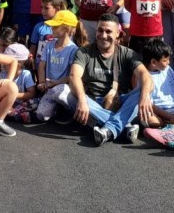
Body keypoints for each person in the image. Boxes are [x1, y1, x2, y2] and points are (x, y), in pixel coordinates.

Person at [65, 14, 155, 146]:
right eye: (100, 30)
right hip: (92, 102)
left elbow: (145, 75)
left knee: (145, 89)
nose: (103, 35)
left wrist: (145, 96)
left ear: (118, 33)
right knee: (68, 93)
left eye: (108, 31)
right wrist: (83, 101)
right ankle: (124, 127)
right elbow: (74, 76)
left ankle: (108, 129)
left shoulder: (128, 53)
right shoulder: (83, 52)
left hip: (120, 102)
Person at [34, 9, 86, 122]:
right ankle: (56, 109)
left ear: (66, 29)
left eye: (56, 26)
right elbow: (42, 65)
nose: (52, 28)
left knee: (58, 91)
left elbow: (73, 76)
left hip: (64, 87)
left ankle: (69, 111)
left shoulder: (73, 50)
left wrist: (56, 83)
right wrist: (42, 82)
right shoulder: (49, 45)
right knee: (41, 116)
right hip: (49, 87)